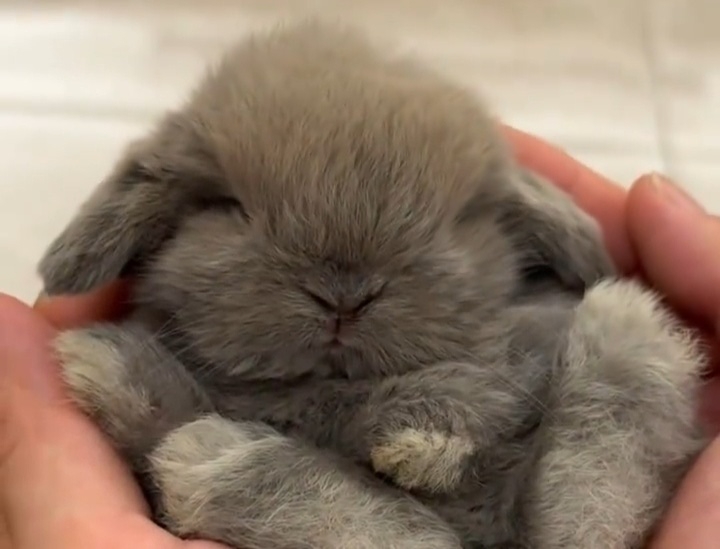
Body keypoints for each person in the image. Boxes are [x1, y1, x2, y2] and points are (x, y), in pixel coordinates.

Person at [1, 126, 719, 548]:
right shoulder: (194, 335)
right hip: (344, 490)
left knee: (623, 333)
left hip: (529, 488)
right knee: (199, 451)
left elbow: (523, 368)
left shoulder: (515, 303)